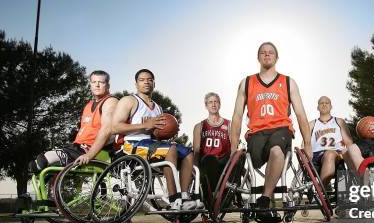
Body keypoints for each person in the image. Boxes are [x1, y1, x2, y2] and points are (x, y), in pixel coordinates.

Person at [230, 42, 312, 223]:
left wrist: (307, 144)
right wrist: (233, 146)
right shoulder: (247, 82)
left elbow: (300, 113)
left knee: (277, 150)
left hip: (281, 129)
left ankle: (264, 201)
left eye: (271, 53)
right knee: (258, 156)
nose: (267, 55)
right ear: (258, 57)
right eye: (263, 53)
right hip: (256, 133)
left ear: (277, 57)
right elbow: (236, 116)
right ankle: (261, 201)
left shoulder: (288, 82)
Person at [111, 69, 196, 211]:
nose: (146, 82)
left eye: (149, 79)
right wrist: (145, 125)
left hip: (152, 144)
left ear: (154, 83)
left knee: (187, 152)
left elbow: (157, 133)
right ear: (136, 84)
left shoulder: (158, 108)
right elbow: (115, 127)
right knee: (171, 149)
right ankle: (174, 200)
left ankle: (185, 197)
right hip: (132, 145)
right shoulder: (129, 101)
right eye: (142, 80)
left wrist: (169, 133)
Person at [28, 70, 119, 175]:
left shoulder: (110, 102)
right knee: (37, 167)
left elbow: (107, 131)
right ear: (90, 85)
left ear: (108, 85)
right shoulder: (88, 105)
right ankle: (53, 190)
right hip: (78, 147)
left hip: (94, 150)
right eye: (94, 82)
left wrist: (89, 155)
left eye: (101, 82)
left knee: (43, 160)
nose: (97, 85)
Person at [193, 92, 231, 206]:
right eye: (210, 102)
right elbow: (196, 150)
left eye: (216, 102)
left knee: (239, 156)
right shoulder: (199, 126)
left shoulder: (229, 124)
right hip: (208, 161)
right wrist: (194, 168)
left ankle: (231, 194)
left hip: (224, 160)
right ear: (206, 106)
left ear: (220, 104)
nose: (213, 104)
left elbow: (234, 147)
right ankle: (213, 195)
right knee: (209, 159)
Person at [309, 96, 354, 187]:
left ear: (331, 106)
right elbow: (305, 144)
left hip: (336, 154)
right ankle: (322, 191)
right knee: (329, 154)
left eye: (327, 102)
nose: (324, 104)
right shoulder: (311, 124)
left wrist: (352, 157)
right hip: (316, 156)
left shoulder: (339, 121)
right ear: (317, 107)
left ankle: (320, 192)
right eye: (321, 103)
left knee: (330, 154)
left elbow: (349, 143)